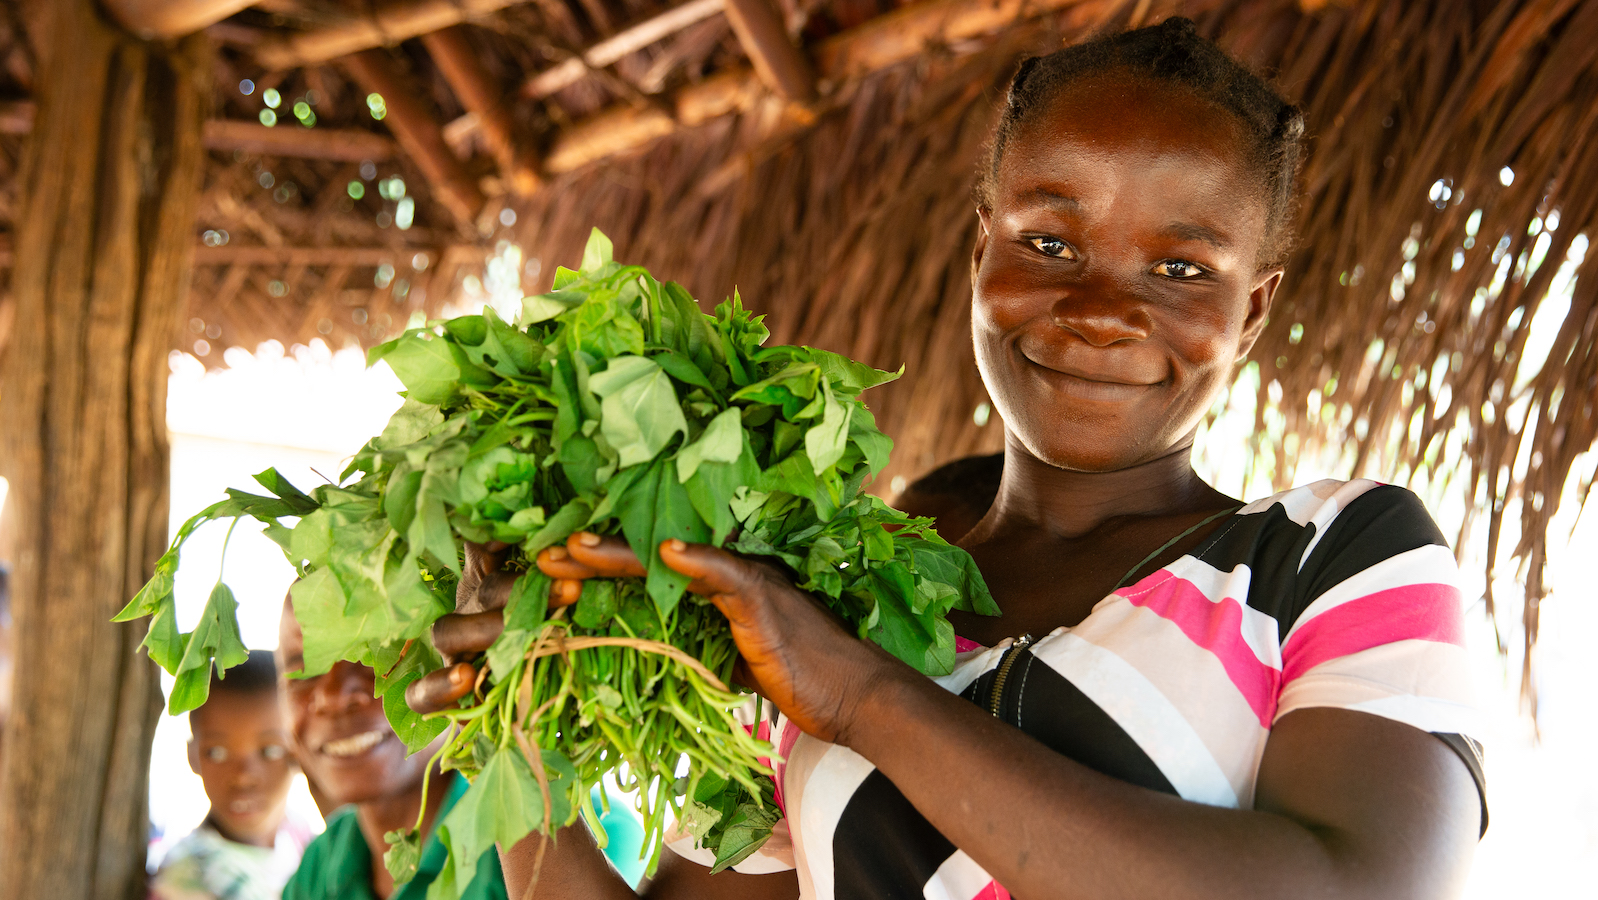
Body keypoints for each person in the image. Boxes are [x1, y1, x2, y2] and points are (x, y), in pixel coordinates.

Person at [408, 17, 1488, 899]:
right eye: (1049, 243)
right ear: (982, 254)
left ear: (1249, 314)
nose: (1101, 310)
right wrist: (518, 720)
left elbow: (1353, 887)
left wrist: (865, 700)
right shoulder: (826, 605)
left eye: (1177, 265)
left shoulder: (1331, 558)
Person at [276, 597, 508, 900]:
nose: (333, 695)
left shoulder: (549, 830)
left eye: (380, 656)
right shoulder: (323, 863)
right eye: (304, 671)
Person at [151, 650, 313, 900]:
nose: (243, 777)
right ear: (193, 756)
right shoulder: (188, 880)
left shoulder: (299, 835)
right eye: (217, 753)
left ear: (299, 753)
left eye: (270, 751)